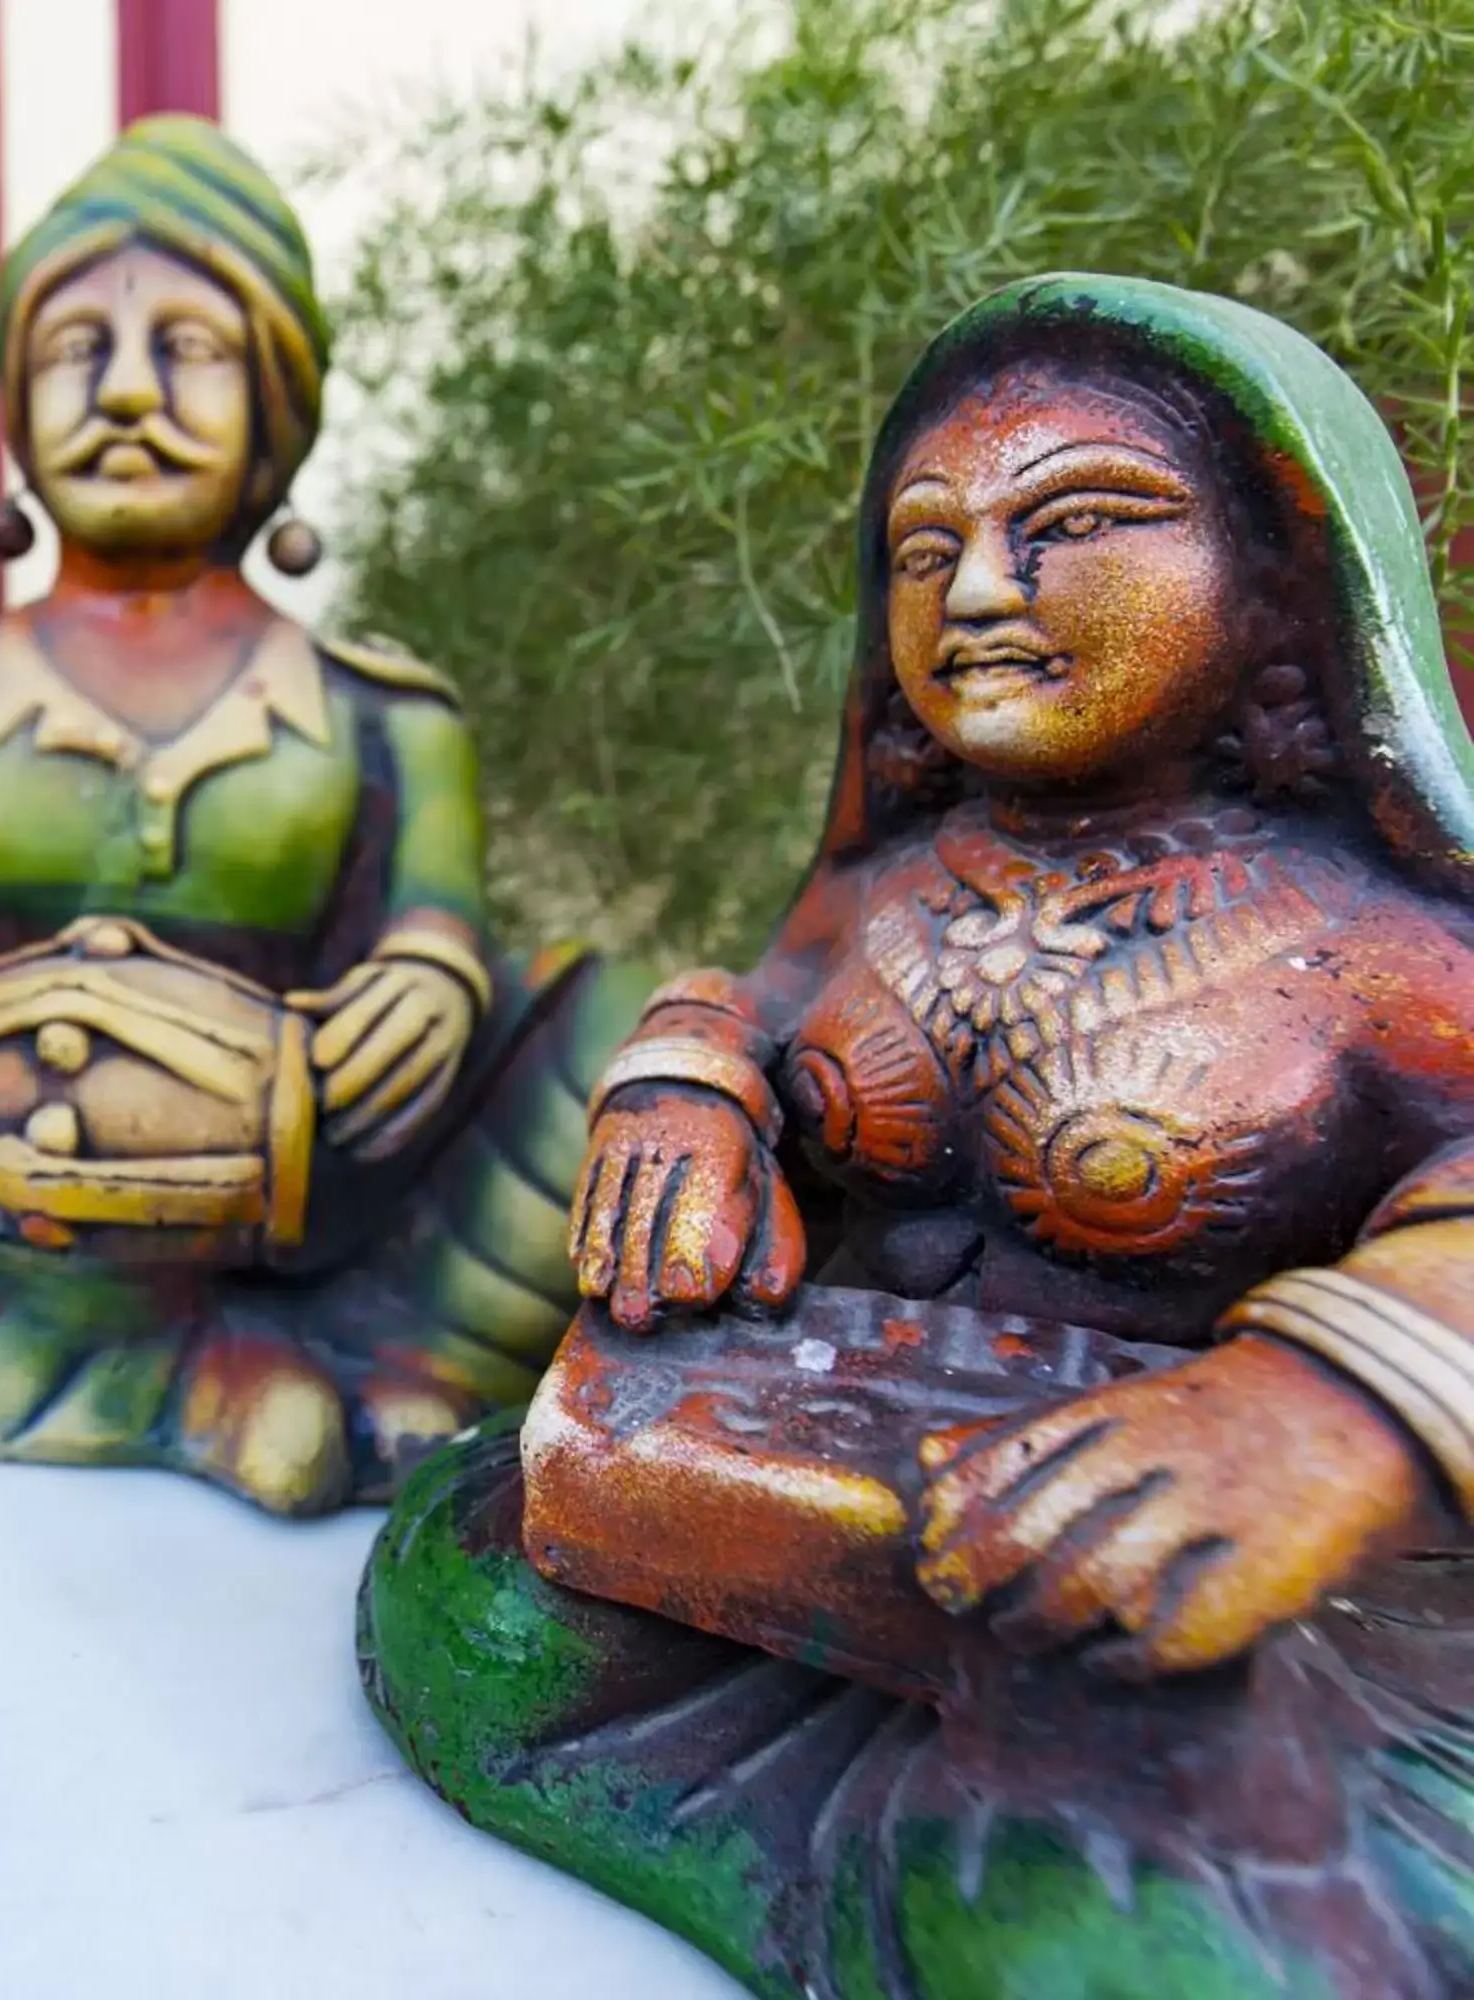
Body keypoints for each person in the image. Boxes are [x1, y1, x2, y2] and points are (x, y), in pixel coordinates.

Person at [361, 273, 1474, 1995]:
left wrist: (1333, 1409)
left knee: (1102, 1917)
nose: (978, 590)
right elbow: (761, 993)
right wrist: (695, 1081)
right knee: (491, 1608)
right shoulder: (892, 888)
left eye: (1081, 521)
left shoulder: (1375, 946)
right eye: (921, 545)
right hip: (819, 1520)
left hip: (1224, 1611)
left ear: (1282, 582)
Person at [0, 116, 644, 1516]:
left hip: (309, 1207)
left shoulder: (386, 712)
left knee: (621, 1037)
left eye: (187, 348)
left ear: (278, 403)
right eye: (78, 352)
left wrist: (428, 983)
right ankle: (222, 1388)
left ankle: (369, 1344)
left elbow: (440, 926)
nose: (127, 392)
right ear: (14, 401)